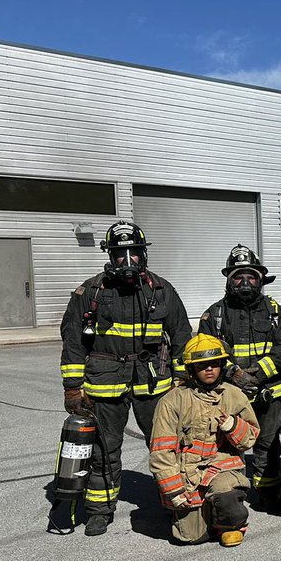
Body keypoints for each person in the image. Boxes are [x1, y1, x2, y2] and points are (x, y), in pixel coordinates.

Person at [59, 220, 192, 537]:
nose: (128, 260)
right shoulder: (90, 292)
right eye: (120, 254)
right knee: (104, 452)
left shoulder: (161, 290)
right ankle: (99, 511)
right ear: (110, 255)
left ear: (144, 254)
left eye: (134, 253)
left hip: (153, 386)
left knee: (166, 449)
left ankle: (175, 506)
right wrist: (73, 387)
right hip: (105, 387)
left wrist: (182, 380)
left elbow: (182, 336)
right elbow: (73, 342)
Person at [199, 244, 281, 509]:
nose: (244, 282)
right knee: (228, 444)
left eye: (250, 276)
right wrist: (234, 374)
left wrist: (257, 374)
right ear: (229, 281)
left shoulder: (275, 311)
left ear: (260, 279)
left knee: (267, 445)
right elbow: (207, 350)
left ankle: (268, 495)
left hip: (269, 393)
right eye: (238, 276)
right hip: (229, 394)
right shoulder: (215, 314)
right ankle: (231, 495)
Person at [149, 334, 260, 546]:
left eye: (214, 364)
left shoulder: (234, 395)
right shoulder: (172, 401)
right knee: (190, 537)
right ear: (191, 369)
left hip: (220, 469)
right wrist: (174, 490)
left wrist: (234, 426)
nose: (209, 369)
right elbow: (161, 452)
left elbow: (251, 438)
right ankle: (202, 512)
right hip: (186, 474)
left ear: (221, 365)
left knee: (226, 491)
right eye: (202, 365)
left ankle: (230, 524)